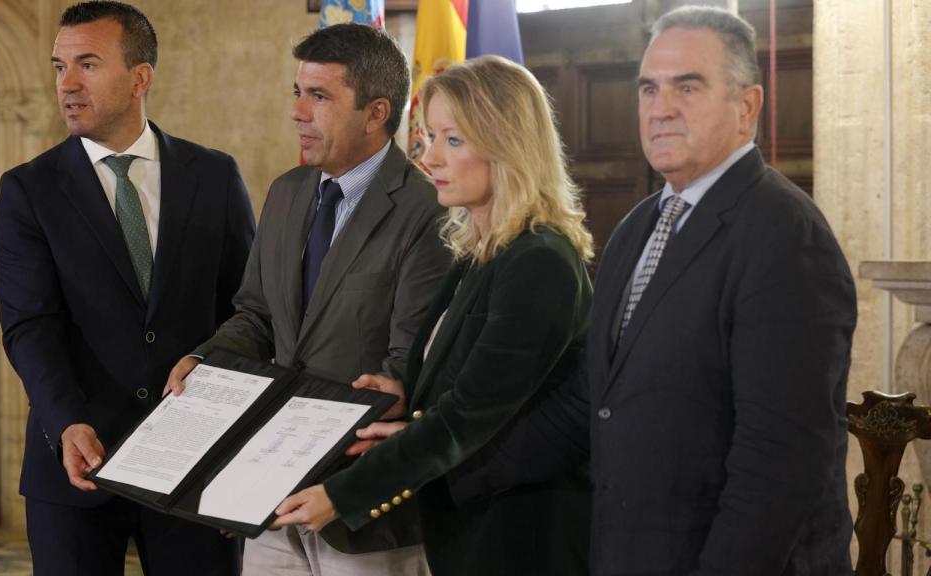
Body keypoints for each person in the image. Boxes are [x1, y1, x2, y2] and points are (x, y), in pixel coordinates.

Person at [270, 55, 596, 576]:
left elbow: (469, 415)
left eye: (453, 140)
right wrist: (408, 392)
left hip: (523, 535)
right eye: (427, 137)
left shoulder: (539, 260)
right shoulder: (478, 252)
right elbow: (459, 383)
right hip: (468, 525)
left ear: (507, 144)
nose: (429, 158)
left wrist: (342, 494)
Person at [165, 23, 449, 576]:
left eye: (319, 96)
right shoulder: (287, 191)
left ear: (376, 112)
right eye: (297, 92)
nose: (297, 111)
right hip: (271, 505)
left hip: (362, 512)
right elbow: (257, 315)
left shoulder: (428, 210)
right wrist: (206, 361)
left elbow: (407, 368)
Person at [583, 6, 856, 574]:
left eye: (687, 86)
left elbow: (780, 463)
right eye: (648, 89)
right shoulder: (636, 229)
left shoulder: (786, 235)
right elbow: (608, 403)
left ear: (747, 106)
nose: (660, 110)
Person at [0, 2, 255, 574]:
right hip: (76, 464)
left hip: (196, 464)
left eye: (87, 64)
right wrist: (67, 422)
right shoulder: (28, 190)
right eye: (59, 66)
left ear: (140, 78)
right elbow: (29, 325)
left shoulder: (214, 175)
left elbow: (247, 310)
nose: (67, 83)